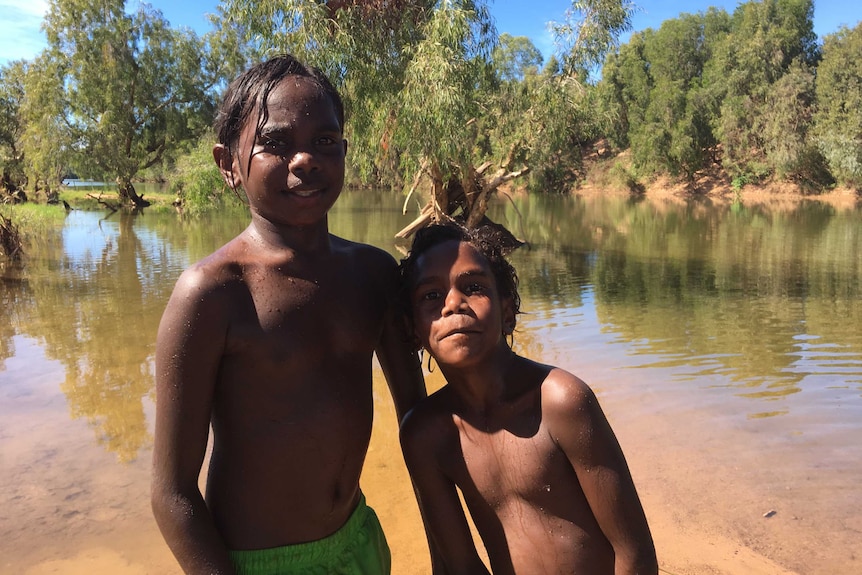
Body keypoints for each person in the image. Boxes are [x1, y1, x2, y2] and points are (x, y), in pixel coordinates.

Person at [151, 54, 426, 575]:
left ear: (344, 151)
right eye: (275, 143)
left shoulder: (374, 275)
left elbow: (419, 420)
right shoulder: (211, 295)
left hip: (359, 543)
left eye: (325, 141)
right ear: (228, 163)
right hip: (255, 563)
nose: (305, 159)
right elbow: (171, 495)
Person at [398, 222, 658, 575]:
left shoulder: (560, 402)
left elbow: (635, 554)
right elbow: (461, 565)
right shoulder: (426, 435)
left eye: (473, 287)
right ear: (414, 331)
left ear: (507, 314)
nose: (453, 303)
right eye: (431, 295)